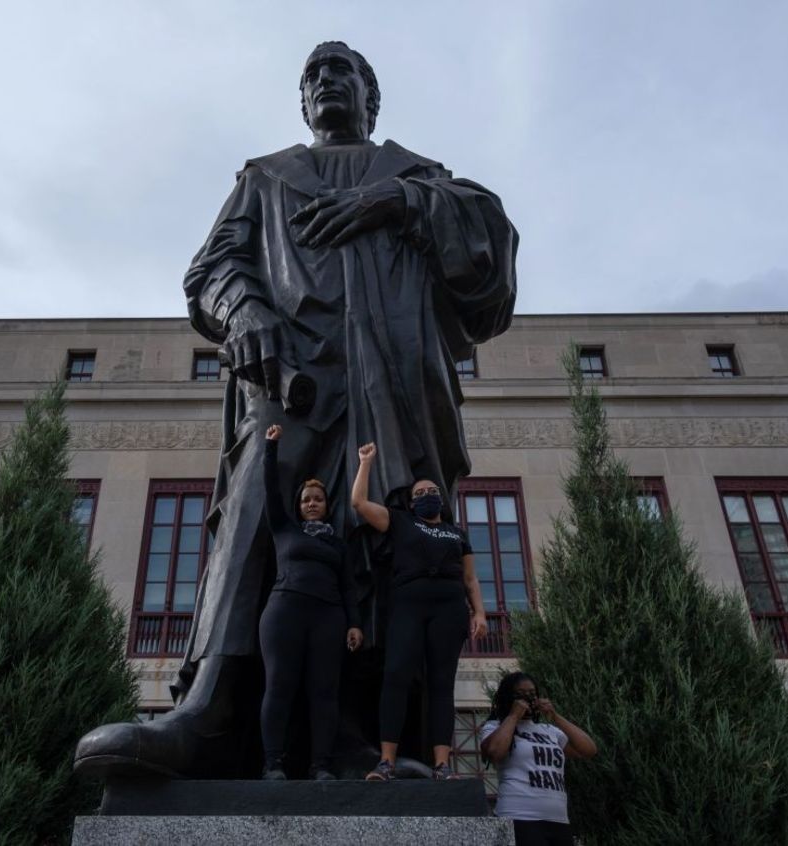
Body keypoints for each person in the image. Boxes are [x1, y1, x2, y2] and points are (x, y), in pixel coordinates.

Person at [74, 40, 517, 779]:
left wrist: (401, 201)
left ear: (371, 98)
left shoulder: (418, 176)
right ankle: (211, 710)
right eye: (312, 76)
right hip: (291, 382)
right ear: (302, 102)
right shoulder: (267, 178)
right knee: (257, 527)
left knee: (377, 541)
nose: (325, 83)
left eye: (342, 72)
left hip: (392, 392)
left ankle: (359, 738)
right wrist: (245, 313)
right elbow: (213, 268)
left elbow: (489, 267)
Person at [350, 441, 488, 781]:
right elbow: (359, 503)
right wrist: (365, 462)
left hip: (450, 607)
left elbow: (470, 578)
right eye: (420, 492)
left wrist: (480, 613)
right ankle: (386, 761)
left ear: (440, 498)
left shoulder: (457, 533)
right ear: (412, 502)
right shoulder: (400, 522)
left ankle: (442, 765)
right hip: (409, 604)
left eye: (432, 490)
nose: (427, 494)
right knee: (395, 676)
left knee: (441, 684)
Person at [259, 423, 363, 780]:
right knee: (279, 686)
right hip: (285, 612)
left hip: (328, 618)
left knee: (324, 693)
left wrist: (354, 623)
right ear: (299, 507)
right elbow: (270, 489)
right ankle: (273, 763)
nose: (312, 504)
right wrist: (271, 447)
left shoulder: (338, 544)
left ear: (326, 505)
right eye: (306, 500)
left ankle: (321, 765)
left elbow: (349, 586)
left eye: (318, 499)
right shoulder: (284, 529)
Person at [480, 672, 598, 846]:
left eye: (532, 694)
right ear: (508, 698)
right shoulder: (495, 726)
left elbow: (589, 749)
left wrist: (555, 716)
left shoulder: (549, 730)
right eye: (520, 694)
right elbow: (495, 751)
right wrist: (513, 716)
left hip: (558, 819)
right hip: (519, 818)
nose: (527, 699)